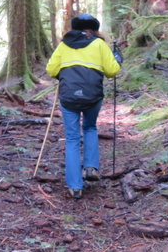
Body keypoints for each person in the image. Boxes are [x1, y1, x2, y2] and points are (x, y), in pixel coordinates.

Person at [46, 13, 121, 199]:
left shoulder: (64, 45)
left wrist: (64, 74)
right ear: (94, 30)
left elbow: (50, 70)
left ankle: (75, 186)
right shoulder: (99, 44)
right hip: (92, 96)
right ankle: (91, 167)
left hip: (69, 96)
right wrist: (117, 59)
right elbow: (112, 71)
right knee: (90, 127)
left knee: (72, 138)